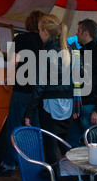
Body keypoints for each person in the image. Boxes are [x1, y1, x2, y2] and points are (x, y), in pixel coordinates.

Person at [0, 10, 44, 177]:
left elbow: (14, 61)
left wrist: (7, 79)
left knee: (13, 126)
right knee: (35, 129)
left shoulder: (20, 39)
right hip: (39, 92)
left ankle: (8, 164)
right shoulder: (45, 41)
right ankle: (36, 165)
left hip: (22, 89)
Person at [24, 14, 77, 165]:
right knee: (64, 143)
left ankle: (52, 179)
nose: (39, 34)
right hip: (68, 103)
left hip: (49, 105)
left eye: (40, 30)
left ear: (45, 32)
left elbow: (39, 87)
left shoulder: (46, 54)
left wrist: (30, 113)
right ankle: (71, 175)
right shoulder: (72, 51)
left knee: (50, 145)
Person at [67, 19, 97, 149]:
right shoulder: (80, 53)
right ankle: (75, 169)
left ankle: (90, 169)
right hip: (78, 104)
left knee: (92, 145)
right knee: (73, 142)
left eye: (79, 31)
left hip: (91, 105)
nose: (76, 34)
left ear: (86, 33)